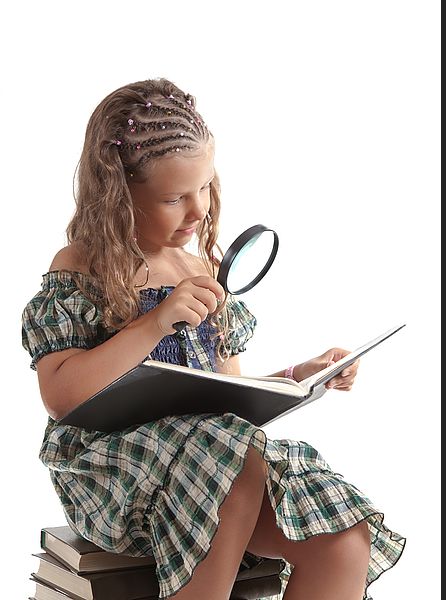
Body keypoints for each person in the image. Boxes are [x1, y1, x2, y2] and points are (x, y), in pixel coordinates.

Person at [21, 78, 405, 600]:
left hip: (213, 464)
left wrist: (299, 377)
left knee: (341, 534)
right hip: (114, 472)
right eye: (175, 197)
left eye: (204, 187)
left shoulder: (200, 270)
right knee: (235, 457)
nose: (198, 210)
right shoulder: (85, 269)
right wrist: (153, 324)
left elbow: (225, 397)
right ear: (118, 194)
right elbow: (63, 396)